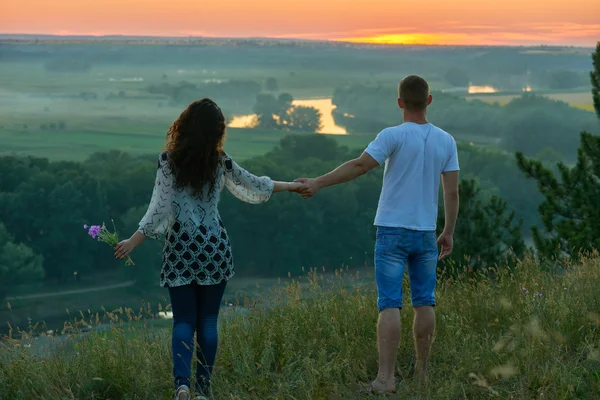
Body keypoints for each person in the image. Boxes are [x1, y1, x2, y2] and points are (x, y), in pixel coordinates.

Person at [114, 98, 301, 400]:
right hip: (214, 247)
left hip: (181, 249)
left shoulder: (167, 161)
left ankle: (182, 385)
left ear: (184, 125)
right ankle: (203, 389)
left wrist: (131, 242)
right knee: (209, 321)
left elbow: (158, 211)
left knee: (184, 320)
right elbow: (255, 184)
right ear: (217, 131)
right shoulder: (221, 161)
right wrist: (293, 185)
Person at [295, 75, 460, 393]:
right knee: (425, 302)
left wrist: (317, 182)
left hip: (391, 232)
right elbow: (451, 193)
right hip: (426, 233)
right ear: (429, 101)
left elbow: (359, 166)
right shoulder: (446, 141)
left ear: (399, 102)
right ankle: (423, 375)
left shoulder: (392, 135)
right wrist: (448, 231)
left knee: (390, 304)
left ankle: (386, 379)